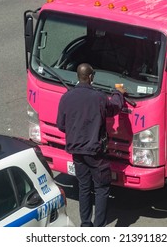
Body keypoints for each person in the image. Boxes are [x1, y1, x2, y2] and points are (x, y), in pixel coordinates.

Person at [56, 63, 126, 227]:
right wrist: (119, 93)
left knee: (84, 187)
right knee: (101, 188)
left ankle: (86, 224)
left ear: (77, 77)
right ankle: (99, 226)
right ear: (91, 77)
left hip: (77, 152)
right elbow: (114, 107)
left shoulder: (66, 97)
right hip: (96, 153)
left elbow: (61, 125)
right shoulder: (99, 97)